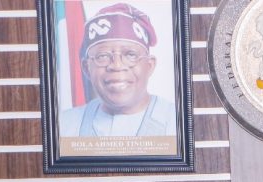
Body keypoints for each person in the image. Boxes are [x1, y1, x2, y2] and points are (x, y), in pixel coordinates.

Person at [58, 3, 178, 137]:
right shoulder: (63, 125)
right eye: (102, 56)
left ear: (149, 66)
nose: (117, 65)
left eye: (130, 55)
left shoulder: (179, 122)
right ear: (86, 68)